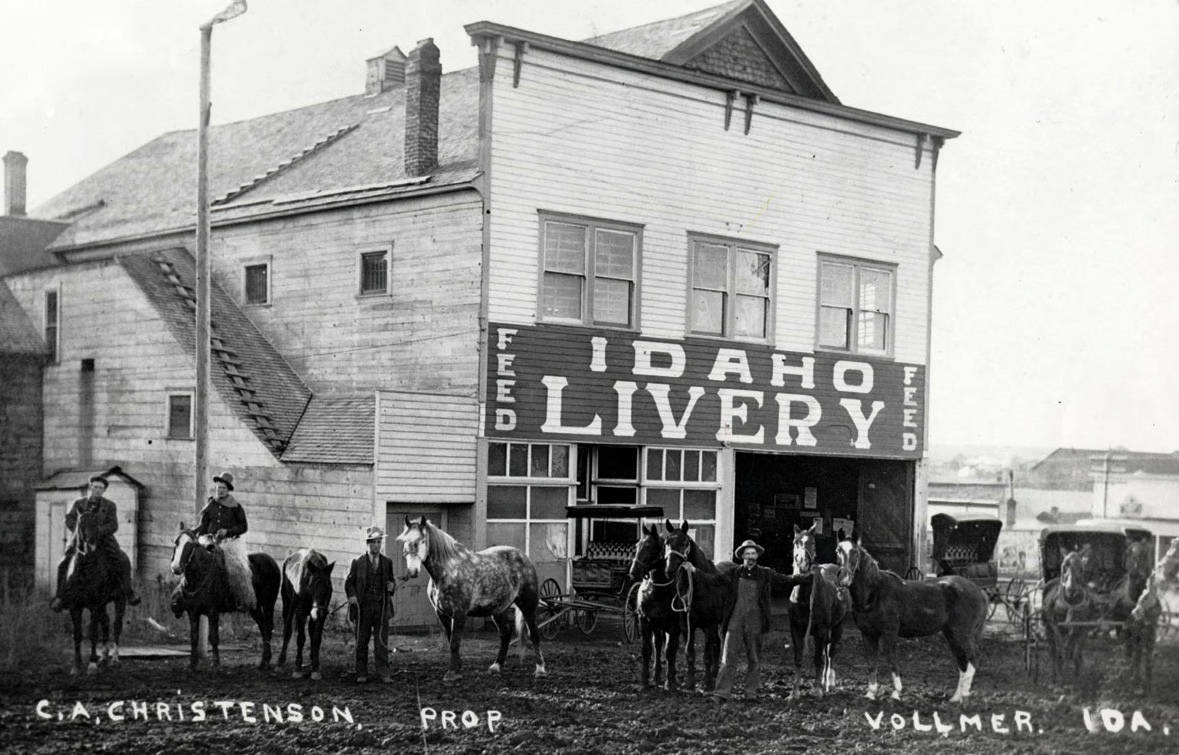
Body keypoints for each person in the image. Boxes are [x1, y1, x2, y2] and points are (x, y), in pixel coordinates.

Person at [710, 539, 805, 701]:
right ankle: (721, 693)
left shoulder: (765, 573)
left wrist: (805, 577)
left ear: (757, 556)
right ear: (742, 556)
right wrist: (693, 572)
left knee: (754, 659)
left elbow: (785, 580)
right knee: (728, 658)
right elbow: (712, 581)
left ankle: (751, 693)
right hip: (734, 622)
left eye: (753, 553)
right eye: (747, 554)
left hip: (755, 622)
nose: (751, 556)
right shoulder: (733, 573)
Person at [51, 474, 139, 610]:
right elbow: (69, 518)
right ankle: (60, 597)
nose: (97, 490)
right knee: (63, 563)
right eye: (95, 487)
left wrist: (97, 531)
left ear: (104, 490)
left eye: (101, 488)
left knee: (122, 560)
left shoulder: (110, 505)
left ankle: (128, 592)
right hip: (80, 541)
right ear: (90, 487)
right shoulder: (79, 503)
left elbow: (113, 525)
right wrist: (80, 529)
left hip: (103, 541)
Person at [195, 472, 254, 611]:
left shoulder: (236, 507)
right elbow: (203, 525)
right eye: (218, 487)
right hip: (210, 541)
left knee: (235, 568)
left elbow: (244, 527)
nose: (219, 490)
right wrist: (199, 536)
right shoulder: (211, 505)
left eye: (222, 488)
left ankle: (241, 599)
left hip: (229, 543)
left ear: (228, 490)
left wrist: (228, 531)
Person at [345, 526, 397, 683]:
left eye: (379, 542)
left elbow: (392, 581)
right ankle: (361, 672)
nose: (377, 545)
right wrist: (352, 596)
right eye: (373, 542)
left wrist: (391, 586)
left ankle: (383, 672)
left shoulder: (387, 562)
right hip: (363, 608)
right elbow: (349, 583)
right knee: (362, 641)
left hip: (381, 608)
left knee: (381, 641)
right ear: (367, 544)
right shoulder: (358, 563)